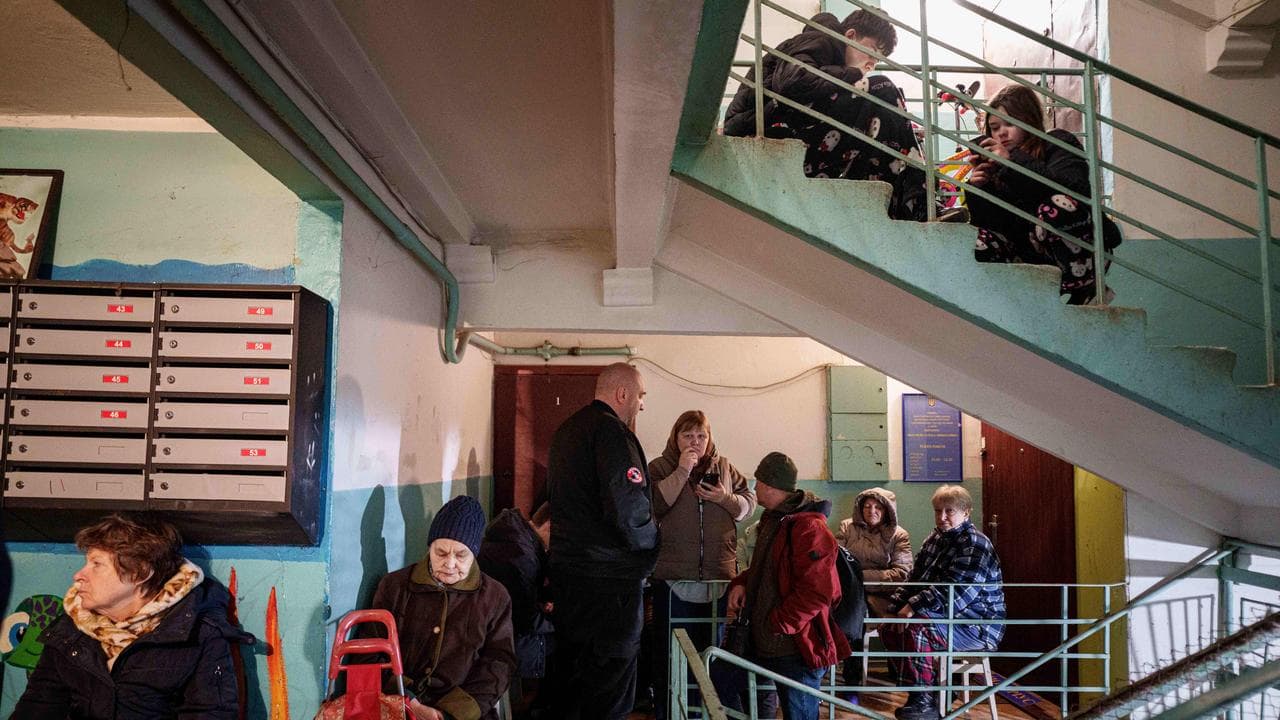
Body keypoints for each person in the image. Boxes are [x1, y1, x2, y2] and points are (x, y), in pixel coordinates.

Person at [13, 514, 252, 719]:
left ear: (139, 573)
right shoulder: (69, 629)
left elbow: (209, 713)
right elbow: (37, 708)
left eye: (96, 564)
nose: (78, 575)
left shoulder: (197, 634)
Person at [723, 10, 933, 222]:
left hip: (790, 121)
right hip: (761, 124)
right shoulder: (820, 39)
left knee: (879, 122)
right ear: (850, 36)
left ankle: (903, 206)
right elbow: (792, 82)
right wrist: (855, 73)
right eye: (871, 52)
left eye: (877, 59)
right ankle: (919, 202)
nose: (871, 63)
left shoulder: (833, 60)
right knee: (883, 88)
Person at [546, 362, 659, 719]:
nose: (641, 405)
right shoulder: (612, 435)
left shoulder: (567, 431)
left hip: (569, 581)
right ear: (622, 394)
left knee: (573, 684)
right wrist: (653, 542)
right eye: (640, 396)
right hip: (610, 587)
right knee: (608, 691)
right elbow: (628, 507)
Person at [720, 452, 850, 720]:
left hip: (796, 647)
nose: (755, 489)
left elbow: (818, 591)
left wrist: (780, 623)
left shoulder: (808, 528)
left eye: (757, 483)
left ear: (769, 485)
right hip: (775, 641)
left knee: (799, 713)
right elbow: (767, 568)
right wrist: (742, 583)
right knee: (724, 679)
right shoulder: (776, 520)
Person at [966, 83, 1121, 304]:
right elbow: (993, 224)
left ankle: (1088, 290)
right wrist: (980, 187)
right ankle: (1007, 304)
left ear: (1029, 119)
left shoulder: (1058, 142)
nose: (1001, 132)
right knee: (980, 239)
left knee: (1055, 206)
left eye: (1010, 123)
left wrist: (1013, 162)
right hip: (1031, 249)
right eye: (994, 127)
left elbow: (1076, 191)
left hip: (1084, 249)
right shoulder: (998, 164)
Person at [646, 410, 757, 717]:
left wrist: (724, 498)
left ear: (709, 438)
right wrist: (681, 472)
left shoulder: (725, 467)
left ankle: (702, 711)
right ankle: (671, 712)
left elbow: (748, 504)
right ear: (675, 438)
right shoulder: (660, 467)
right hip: (673, 578)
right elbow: (653, 505)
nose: (695, 442)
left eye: (701, 436)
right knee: (673, 655)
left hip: (718, 578)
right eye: (688, 436)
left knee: (710, 653)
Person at [369, 495, 516, 720]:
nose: (449, 563)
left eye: (460, 555)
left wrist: (449, 713)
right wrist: (410, 702)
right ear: (429, 547)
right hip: (399, 703)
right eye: (441, 552)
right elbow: (372, 652)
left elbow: (498, 665)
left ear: (475, 554)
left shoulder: (494, 597)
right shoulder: (395, 586)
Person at [881, 485, 1005, 720]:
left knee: (917, 625)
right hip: (945, 617)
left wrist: (913, 606)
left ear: (966, 512)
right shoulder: (934, 539)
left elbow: (957, 594)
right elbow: (915, 579)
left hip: (976, 625)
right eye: (938, 511)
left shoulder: (976, 544)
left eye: (949, 511)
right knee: (888, 628)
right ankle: (933, 692)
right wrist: (894, 608)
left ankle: (923, 700)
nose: (942, 517)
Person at [476, 503, 554, 717]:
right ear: (550, 526)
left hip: (494, 624)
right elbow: (525, 621)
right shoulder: (520, 555)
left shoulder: (517, 537)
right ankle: (532, 708)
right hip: (492, 634)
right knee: (564, 645)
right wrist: (555, 618)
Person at [836, 487, 913, 689]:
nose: (872, 511)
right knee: (853, 615)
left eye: (878, 506)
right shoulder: (847, 527)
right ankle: (852, 676)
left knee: (900, 615)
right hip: (852, 592)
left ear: (888, 510)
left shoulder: (899, 535)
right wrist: (855, 580)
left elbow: (902, 573)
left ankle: (899, 672)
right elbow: (835, 563)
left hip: (886, 594)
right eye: (867, 506)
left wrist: (859, 576)